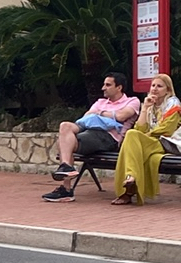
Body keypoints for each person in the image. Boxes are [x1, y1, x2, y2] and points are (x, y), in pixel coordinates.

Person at [41, 72, 140, 201]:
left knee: (65, 144)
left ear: (119, 87)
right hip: (90, 130)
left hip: (109, 137)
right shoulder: (100, 101)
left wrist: (99, 113)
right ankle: (66, 166)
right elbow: (86, 117)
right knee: (65, 126)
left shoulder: (132, 101)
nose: (103, 88)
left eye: (108, 85)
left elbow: (122, 116)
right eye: (104, 84)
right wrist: (109, 115)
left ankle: (66, 189)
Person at [112, 73, 181, 205]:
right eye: (153, 85)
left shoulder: (174, 104)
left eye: (159, 86)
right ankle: (131, 179)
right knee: (132, 137)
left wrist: (146, 135)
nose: (154, 89)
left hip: (168, 143)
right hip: (152, 142)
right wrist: (144, 108)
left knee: (131, 140)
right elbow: (140, 130)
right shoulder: (151, 105)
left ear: (168, 89)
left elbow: (167, 129)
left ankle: (128, 189)